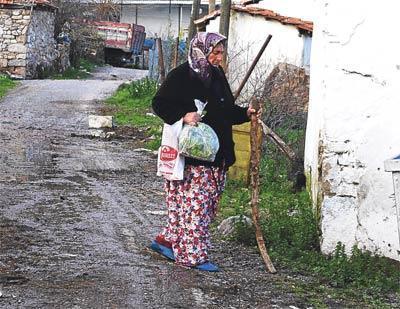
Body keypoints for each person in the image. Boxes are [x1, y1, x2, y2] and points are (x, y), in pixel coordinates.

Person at [151, 32, 258, 272]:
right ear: (201, 49)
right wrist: (183, 116)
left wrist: (245, 113)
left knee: (198, 206)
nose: (219, 57)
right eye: (215, 52)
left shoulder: (216, 76)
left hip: (216, 155)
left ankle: (168, 241)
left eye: (221, 53)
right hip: (194, 157)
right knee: (194, 208)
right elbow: (159, 103)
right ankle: (192, 256)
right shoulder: (183, 75)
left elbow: (226, 111)